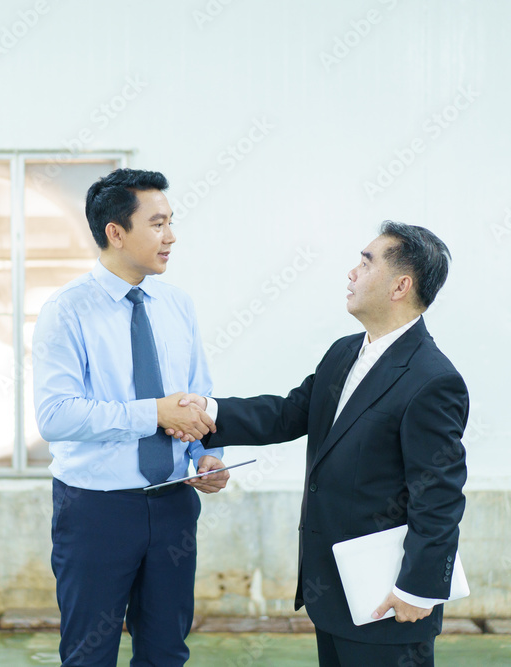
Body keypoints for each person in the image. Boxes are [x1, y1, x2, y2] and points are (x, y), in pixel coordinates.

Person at [171, 222, 468, 667]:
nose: (351, 272)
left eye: (366, 262)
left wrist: (419, 588)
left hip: (388, 598)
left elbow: (439, 495)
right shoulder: (345, 351)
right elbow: (291, 413)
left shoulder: (433, 380)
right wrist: (210, 412)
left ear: (400, 285)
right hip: (332, 592)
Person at [32, 168, 230, 666]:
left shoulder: (176, 305)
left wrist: (208, 455)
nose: (171, 236)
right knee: (89, 653)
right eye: (157, 224)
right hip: (96, 509)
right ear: (115, 233)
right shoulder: (67, 311)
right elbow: (55, 416)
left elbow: (200, 394)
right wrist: (152, 414)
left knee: (166, 650)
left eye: (170, 222)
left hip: (173, 503)